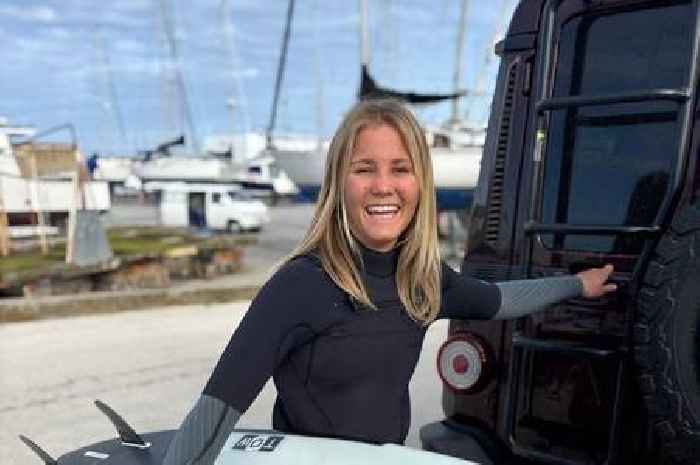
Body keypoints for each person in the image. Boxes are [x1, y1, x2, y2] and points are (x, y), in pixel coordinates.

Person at [162, 99, 616, 465]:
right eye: (364, 169)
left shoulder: (421, 280)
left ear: (420, 183)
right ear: (339, 183)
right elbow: (216, 412)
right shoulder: (300, 285)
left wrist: (578, 284)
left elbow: (499, 300)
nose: (384, 185)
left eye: (400, 168)